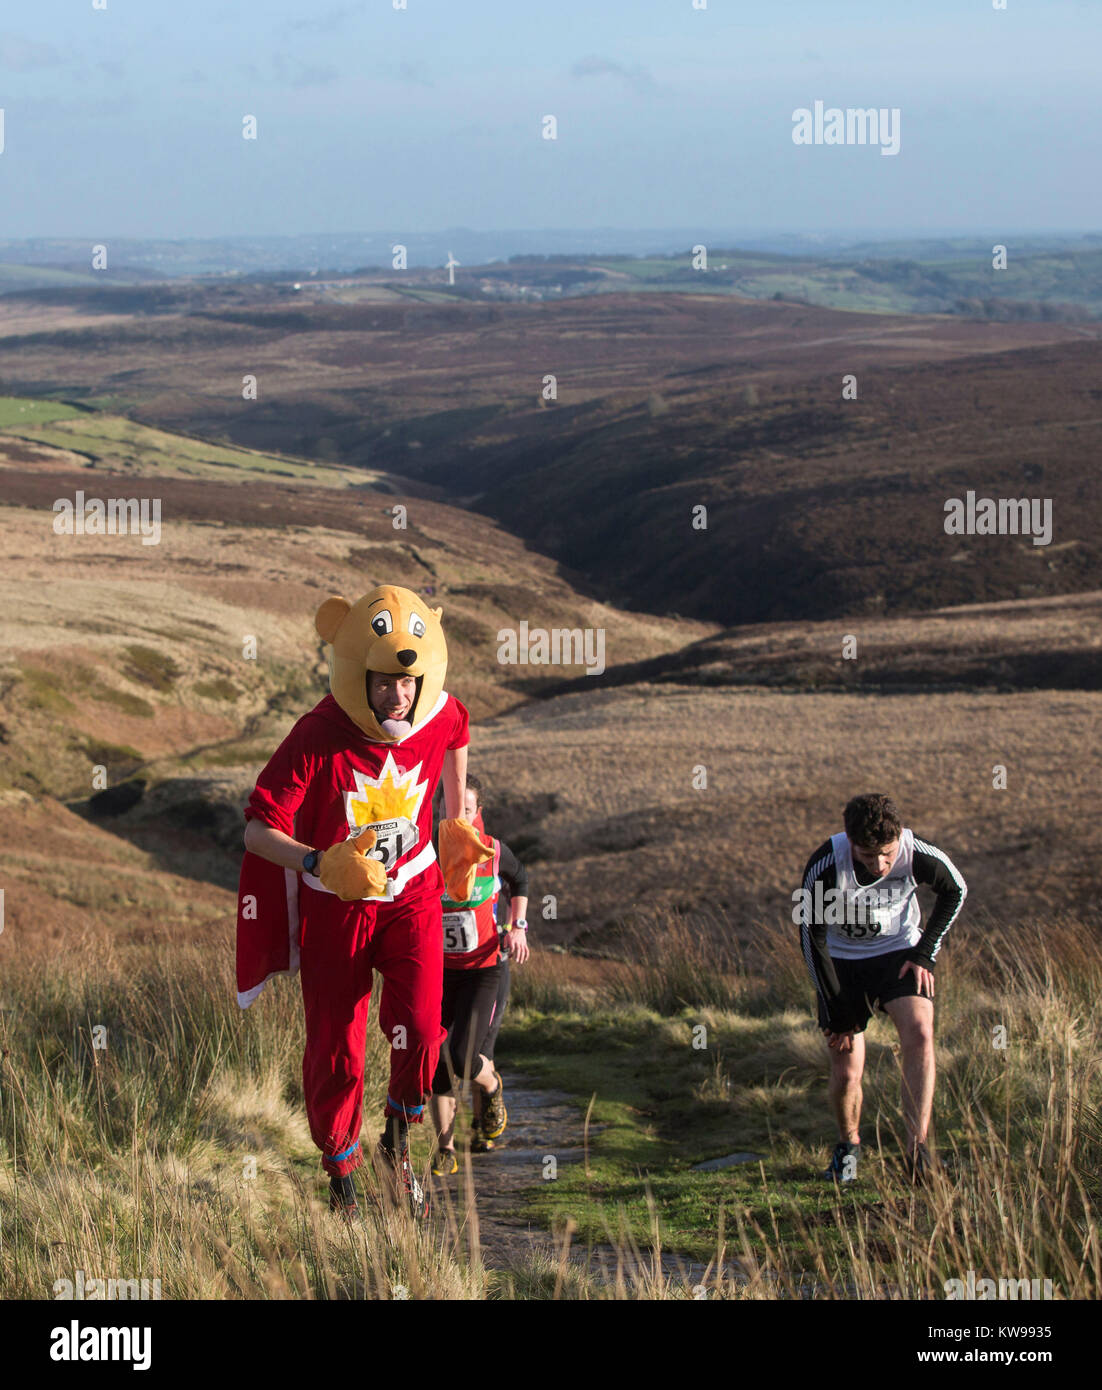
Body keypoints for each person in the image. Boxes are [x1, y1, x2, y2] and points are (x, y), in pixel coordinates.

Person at [235, 584, 491, 1220]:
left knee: (423, 1030)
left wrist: (456, 816)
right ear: (358, 675)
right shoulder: (318, 733)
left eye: (405, 684)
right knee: (336, 1047)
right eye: (381, 683)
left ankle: (397, 1148)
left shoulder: (437, 714)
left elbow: (457, 726)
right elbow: (257, 830)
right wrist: (317, 861)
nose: (396, 697)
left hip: (415, 901)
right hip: (337, 907)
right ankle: (341, 1171)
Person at [797, 792, 967, 1184]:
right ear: (850, 841)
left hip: (898, 952)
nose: (879, 864)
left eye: (886, 854)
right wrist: (835, 1009)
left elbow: (955, 890)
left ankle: (917, 1153)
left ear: (899, 838)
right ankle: (848, 1148)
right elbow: (811, 939)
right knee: (846, 1070)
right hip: (842, 962)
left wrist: (925, 952)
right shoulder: (826, 864)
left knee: (921, 1033)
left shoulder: (914, 852)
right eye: (868, 855)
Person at [429, 774, 530, 1175]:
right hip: (438, 971)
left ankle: (491, 1086)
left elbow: (520, 878)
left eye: (466, 810)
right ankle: (445, 1149)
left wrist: (518, 925)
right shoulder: (424, 852)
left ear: (477, 813)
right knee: (433, 1059)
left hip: (484, 969)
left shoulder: (491, 851)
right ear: (437, 812)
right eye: (448, 810)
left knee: (465, 1056)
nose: (458, 818)